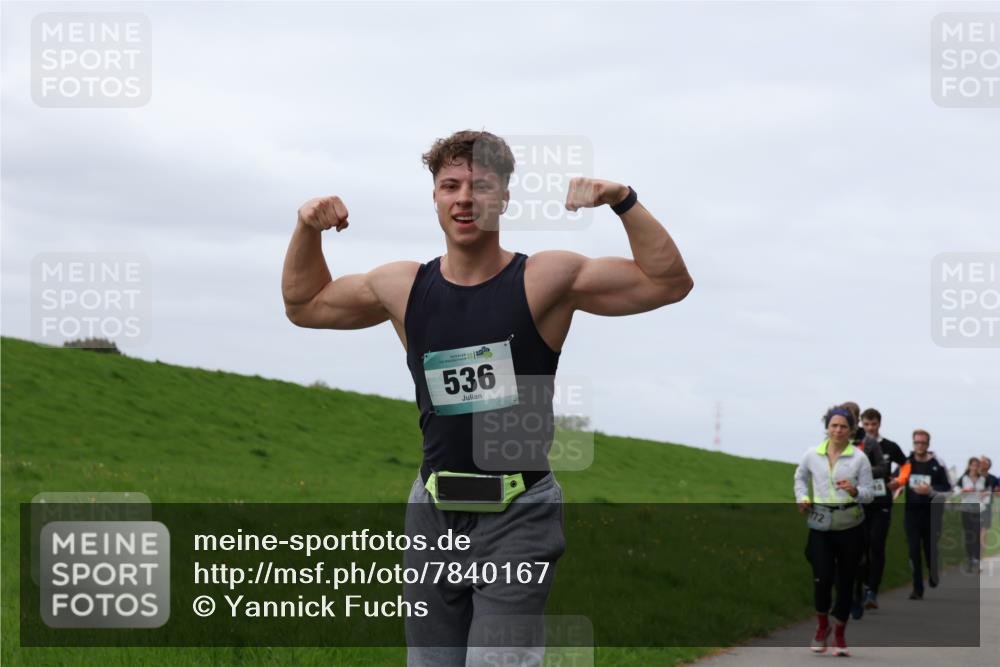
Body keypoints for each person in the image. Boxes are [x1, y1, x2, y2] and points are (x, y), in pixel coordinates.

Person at [281, 130, 694, 667]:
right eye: (449, 185)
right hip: (433, 512)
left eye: (480, 186)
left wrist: (624, 200)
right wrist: (305, 228)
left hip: (518, 512)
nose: (464, 198)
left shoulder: (546, 279)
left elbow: (667, 282)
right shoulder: (403, 287)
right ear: (434, 197)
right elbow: (304, 304)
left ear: (503, 196)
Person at [794, 406, 874, 657]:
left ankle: (839, 632)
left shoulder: (859, 458)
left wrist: (854, 492)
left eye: (843, 426)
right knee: (822, 577)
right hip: (820, 523)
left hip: (850, 525)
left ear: (851, 430)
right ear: (827, 427)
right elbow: (799, 478)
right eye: (833, 425)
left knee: (846, 580)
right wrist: (803, 497)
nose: (838, 430)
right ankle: (821, 627)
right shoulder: (811, 454)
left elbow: (870, 494)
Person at [890, 429, 952, 600]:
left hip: (932, 513)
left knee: (930, 549)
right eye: (917, 442)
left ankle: (933, 572)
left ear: (928, 444)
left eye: (923, 442)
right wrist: (895, 486)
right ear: (913, 443)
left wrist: (930, 491)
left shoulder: (937, 463)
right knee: (913, 550)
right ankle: (917, 588)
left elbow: (948, 490)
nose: (920, 445)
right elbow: (895, 481)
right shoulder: (906, 463)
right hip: (912, 513)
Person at [839, 402, 887, 620]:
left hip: (864, 504)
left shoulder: (867, 442)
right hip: (837, 503)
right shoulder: (832, 440)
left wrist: (863, 470)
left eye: (850, 416)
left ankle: (857, 592)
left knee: (860, 553)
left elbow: (883, 468)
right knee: (836, 554)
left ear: (856, 419)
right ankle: (841, 595)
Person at [857, 407, 906, 610]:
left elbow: (906, 464)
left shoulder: (890, 446)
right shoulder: (856, 445)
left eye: (873, 424)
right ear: (861, 424)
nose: (870, 428)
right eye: (866, 424)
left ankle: (872, 591)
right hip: (860, 503)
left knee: (876, 546)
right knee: (861, 548)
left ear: (879, 424)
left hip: (882, 503)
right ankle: (859, 587)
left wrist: (899, 481)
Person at [954, 457, 987, 572]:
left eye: (977, 465)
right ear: (969, 466)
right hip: (966, 509)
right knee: (969, 536)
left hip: (978, 509)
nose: (974, 467)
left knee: (977, 535)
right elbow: (956, 491)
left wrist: (984, 495)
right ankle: (969, 560)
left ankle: (977, 561)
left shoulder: (982, 479)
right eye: (973, 465)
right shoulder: (963, 478)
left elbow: (985, 492)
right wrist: (964, 490)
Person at [979, 455, 997, 566]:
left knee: (983, 534)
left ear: (988, 465)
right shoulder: (972, 476)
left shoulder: (993, 479)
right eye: (980, 462)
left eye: (984, 462)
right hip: (972, 508)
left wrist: (995, 492)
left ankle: (980, 559)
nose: (981, 464)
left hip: (986, 508)